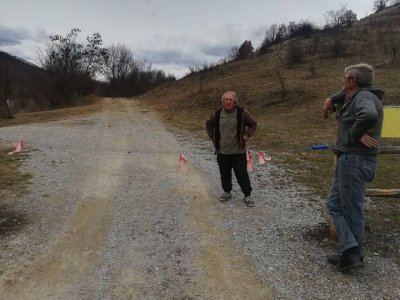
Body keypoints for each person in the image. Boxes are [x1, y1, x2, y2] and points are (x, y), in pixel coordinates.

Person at [322, 63, 384, 272]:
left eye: (344, 77)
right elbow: (342, 97)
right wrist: (331, 99)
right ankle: (350, 249)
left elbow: (368, 116)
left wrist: (353, 135)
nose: (342, 80)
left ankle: (352, 255)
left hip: (355, 160)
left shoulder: (364, 98)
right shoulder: (355, 95)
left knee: (351, 210)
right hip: (350, 159)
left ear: (353, 81)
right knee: (334, 204)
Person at [206, 91, 257, 207]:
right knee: (224, 173)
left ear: (234, 101)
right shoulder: (217, 114)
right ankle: (227, 192)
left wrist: (247, 135)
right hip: (222, 151)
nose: (228, 101)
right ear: (223, 102)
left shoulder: (242, 113)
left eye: (230, 100)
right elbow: (208, 124)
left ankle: (247, 195)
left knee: (242, 174)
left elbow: (253, 124)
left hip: (238, 151)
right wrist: (213, 138)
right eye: (226, 100)